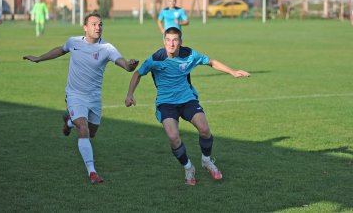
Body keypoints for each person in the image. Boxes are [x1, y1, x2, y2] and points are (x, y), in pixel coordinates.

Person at [125, 27, 250, 186]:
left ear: (180, 42)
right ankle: (188, 168)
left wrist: (232, 72)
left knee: (204, 129)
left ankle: (206, 161)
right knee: (173, 137)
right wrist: (130, 94)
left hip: (187, 99)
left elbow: (210, 62)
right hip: (166, 103)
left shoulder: (189, 54)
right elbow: (138, 74)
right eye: (168, 40)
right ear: (164, 41)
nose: (171, 43)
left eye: (175, 40)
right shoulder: (156, 58)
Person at [23, 12, 139, 184]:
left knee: (91, 133)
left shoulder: (107, 48)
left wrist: (129, 66)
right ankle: (92, 172)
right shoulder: (74, 42)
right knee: (83, 128)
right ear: (85, 27)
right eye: (93, 24)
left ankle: (69, 121)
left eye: (100, 24)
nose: (98, 27)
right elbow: (60, 50)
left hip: (94, 98)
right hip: (75, 94)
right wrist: (40, 58)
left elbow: (123, 63)